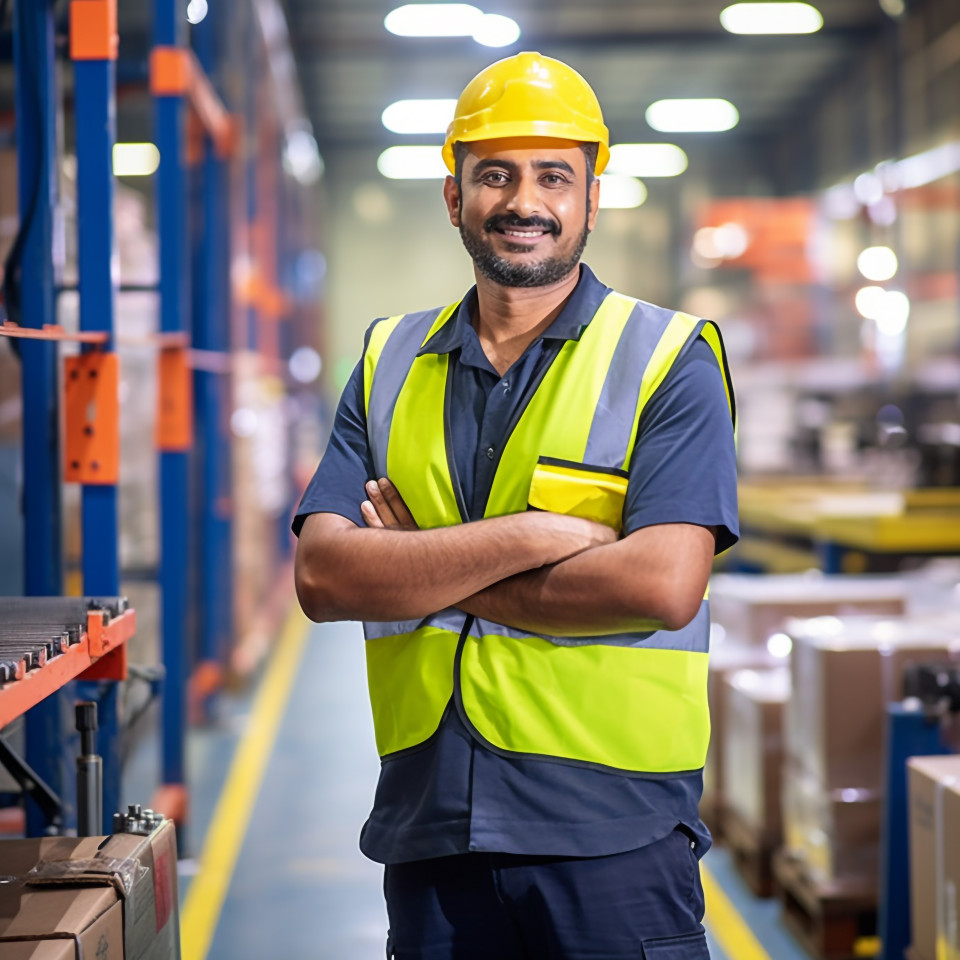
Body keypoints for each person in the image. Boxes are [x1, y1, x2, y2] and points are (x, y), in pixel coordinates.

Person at [294, 51, 738, 960]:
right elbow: (326, 576)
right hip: (430, 833)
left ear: (590, 198)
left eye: (553, 176)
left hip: (611, 836)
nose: (522, 199)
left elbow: (661, 585)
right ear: (454, 195)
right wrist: (533, 538)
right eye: (493, 173)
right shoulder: (386, 362)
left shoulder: (669, 357)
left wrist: (424, 567)